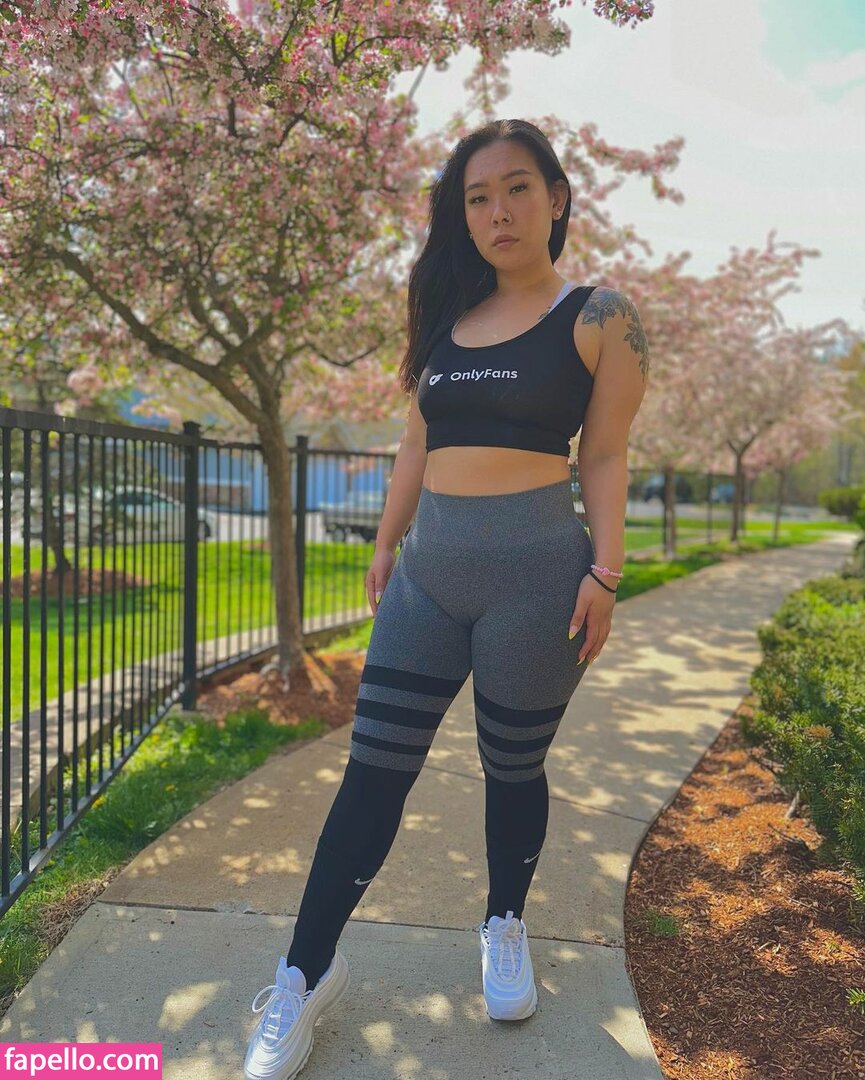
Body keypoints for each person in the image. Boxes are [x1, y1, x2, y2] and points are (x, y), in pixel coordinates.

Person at [243, 118, 649, 1080]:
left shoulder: (599, 315)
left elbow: (603, 453)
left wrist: (605, 573)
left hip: (537, 581)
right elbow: (415, 444)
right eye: (476, 196)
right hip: (428, 577)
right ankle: (304, 972)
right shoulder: (447, 320)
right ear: (460, 215)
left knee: (512, 768)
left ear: (556, 198)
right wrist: (386, 544)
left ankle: (503, 923)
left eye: (516, 188)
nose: (497, 211)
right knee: (372, 772)